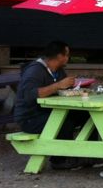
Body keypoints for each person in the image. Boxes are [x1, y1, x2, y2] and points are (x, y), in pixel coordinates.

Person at [14, 39, 83, 170]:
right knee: (64, 122)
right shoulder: (34, 71)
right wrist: (58, 85)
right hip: (30, 118)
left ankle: (87, 155)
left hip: (50, 111)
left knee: (84, 116)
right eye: (67, 55)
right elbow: (30, 94)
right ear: (59, 56)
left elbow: (62, 90)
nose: (68, 58)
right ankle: (58, 161)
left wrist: (73, 88)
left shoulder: (59, 70)